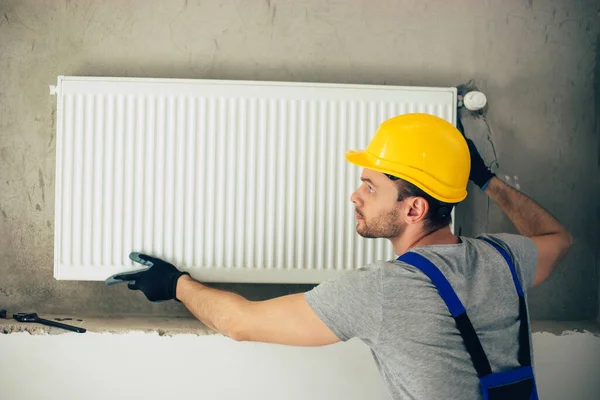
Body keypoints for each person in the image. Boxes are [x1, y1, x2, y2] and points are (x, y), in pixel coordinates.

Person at [113, 113, 573, 399]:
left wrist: (176, 284)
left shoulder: (385, 291)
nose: (356, 195)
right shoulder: (505, 257)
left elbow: (240, 323)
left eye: (371, 187)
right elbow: (558, 237)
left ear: (414, 208)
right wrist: (484, 178)